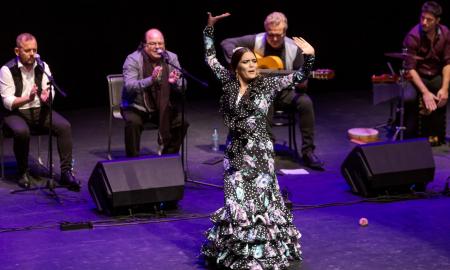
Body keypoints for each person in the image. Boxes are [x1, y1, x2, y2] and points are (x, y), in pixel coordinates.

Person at [201, 12, 314, 269]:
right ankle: (241, 255)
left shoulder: (267, 86)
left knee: (261, 204)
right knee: (237, 202)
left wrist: (309, 57)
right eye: (247, 62)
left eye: (254, 61)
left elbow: (297, 76)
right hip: (236, 152)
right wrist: (209, 29)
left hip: (260, 154)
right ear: (236, 66)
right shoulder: (228, 83)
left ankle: (263, 253)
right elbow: (210, 58)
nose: (253, 65)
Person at [221, 11, 324, 169]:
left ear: (285, 32)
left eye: (278, 35)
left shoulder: (294, 48)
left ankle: (308, 152)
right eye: (271, 34)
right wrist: (237, 60)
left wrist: (302, 81)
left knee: (306, 102)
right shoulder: (255, 40)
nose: (274, 38)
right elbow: (226, 43)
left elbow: (301, 79)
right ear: (266, 30)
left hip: (285, 92)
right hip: (261, 92)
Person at [0, 33, 80, 190]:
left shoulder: (42, 66)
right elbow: (7, 101)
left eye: (34, 50)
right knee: (22, 131)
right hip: (16, 112)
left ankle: (66, 173)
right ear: (17, 51)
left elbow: (50, 90)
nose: (32, 54)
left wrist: (47, 97)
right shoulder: (7, 70)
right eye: (27, 50)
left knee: (65, 127)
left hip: (39, 110)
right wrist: (27, 98)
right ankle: (23, 172)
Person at [121, 28, 188, 157]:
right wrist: (151, 80)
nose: (158, 47)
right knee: (133, 123)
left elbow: (184, 86)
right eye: (153, 44)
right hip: (136, 106)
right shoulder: (133, 59)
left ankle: (168, 156)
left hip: (161, 106)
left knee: (182, 122)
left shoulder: (171, 58)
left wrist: (175, 83)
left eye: (160, 43)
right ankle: (132, 160)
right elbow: (129, 86)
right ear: (144, 45)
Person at [402, 1, 450, 145]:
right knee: (410, 97)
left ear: (437, 21)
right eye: (422, 18)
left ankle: (435, 136)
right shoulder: (413, 36)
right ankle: (411, 135)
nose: (424, 22)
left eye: (429, 20)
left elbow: (448, 62)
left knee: (441, 95)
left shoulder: (446, 33)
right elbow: (410, 68)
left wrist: (445, 89)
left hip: (434, 73)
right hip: (417, 75)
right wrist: (424, 92)